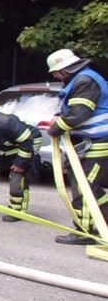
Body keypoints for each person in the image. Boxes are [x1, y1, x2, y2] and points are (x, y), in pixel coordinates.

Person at [45, 48, 108, 245]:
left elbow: (79, 113)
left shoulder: (85, 81)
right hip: (88, 143)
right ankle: (93, 226)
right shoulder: (81, 80)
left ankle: (85, 232)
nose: (55, 76)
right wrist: (59, 117)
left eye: (56, 72)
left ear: (64, 69)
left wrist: (56, 128)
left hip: (96, 144)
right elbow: (71, 109)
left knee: (86, 188)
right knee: (89, 188)